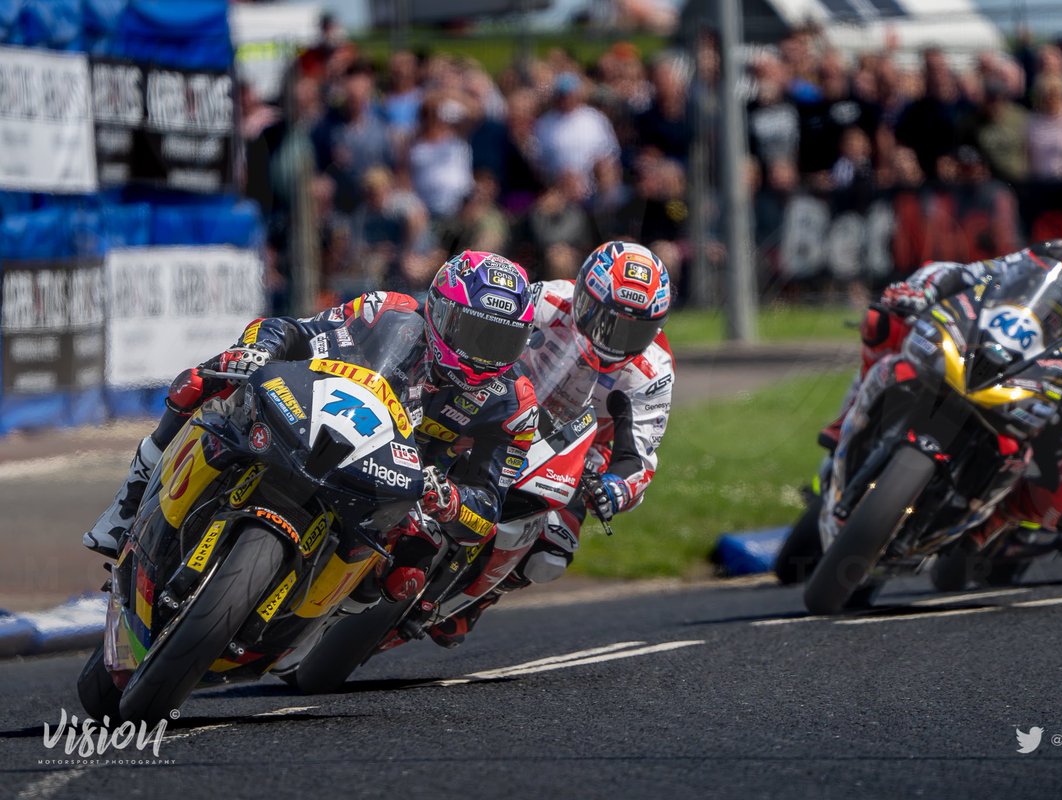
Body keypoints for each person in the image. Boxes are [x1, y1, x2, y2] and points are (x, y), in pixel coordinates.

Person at [84, 252, 540, 568]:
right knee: (204, 380)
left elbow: (486, 511)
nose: (483, 355)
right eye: (476, 334)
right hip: (318, 418)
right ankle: (129, 499)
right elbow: (294, 331)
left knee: (414, 564)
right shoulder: (388, 312)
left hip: (397, 488)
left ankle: (325, 622)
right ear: (440, 311)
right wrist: (257, 350)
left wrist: (451, 501)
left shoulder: (513, 402)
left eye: (500, 341)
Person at [820, 212, 1062, 545]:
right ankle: (846, 419)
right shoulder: (1055, 257)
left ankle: (994, 523)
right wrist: (923, 291)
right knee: (883, 321)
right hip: (997, 360)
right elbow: (975, 275)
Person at [425, 240, 674, 647]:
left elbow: (640, 458)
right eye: (605, 320)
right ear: (582, 296)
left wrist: (613, 489)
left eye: (634, 329)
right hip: (502, 408)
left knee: (549, 558)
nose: (614, 339)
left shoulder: (652, 372)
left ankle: (482, 597)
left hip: (577, 454)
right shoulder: (547, 300)